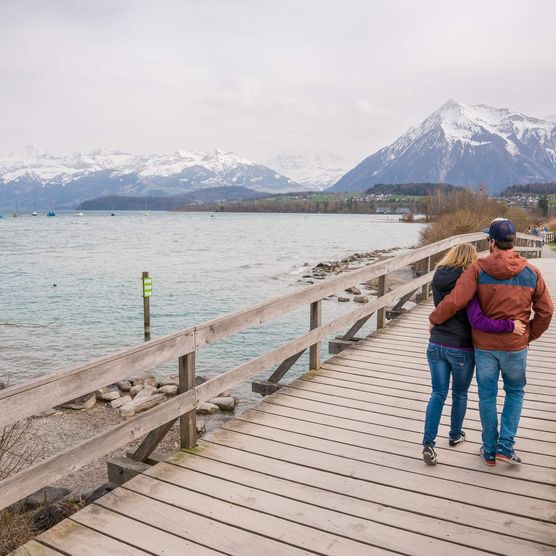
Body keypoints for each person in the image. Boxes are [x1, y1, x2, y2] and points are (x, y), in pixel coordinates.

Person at [429, 218, 553, 466]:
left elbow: (455, 300)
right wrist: (529, 334)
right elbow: (546, 310)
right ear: (513, 241)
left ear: (492, 242)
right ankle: (505, 446)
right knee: (515, 392)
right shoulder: (531, 272)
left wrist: (434, 319)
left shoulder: (478, 269)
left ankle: (489, 449)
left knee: (487, 396)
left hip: (484, 347)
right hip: (515, 346)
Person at [422, 243, 524, 465]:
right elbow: (476, 318)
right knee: (459, 394)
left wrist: (433, 319)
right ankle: (455, 434)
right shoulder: (468, 281)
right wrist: (510, 326)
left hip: (436, 342)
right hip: (461, 347)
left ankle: (428, 443)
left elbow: (443, 306)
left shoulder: (438, 274)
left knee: (437, 393)